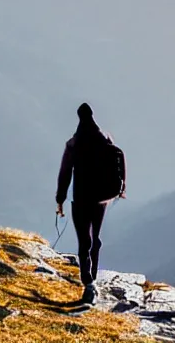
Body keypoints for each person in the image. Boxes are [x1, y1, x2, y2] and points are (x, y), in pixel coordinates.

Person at [56, 103, 126, 305]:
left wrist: (60, 199)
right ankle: (94, 273)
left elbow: (65, 174)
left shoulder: (74, 143)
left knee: (83, 242)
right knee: (95, 236)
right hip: (101, 198)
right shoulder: (106, 139)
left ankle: (88, 282)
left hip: (81, 199)